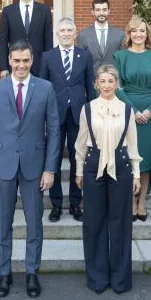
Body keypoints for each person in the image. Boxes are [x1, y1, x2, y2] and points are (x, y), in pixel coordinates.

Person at [0, 41, 60, 299]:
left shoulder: (46, 88)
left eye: (25, 60)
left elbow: (55, 131)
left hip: (34, 167)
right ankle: (4, 273)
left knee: (34, 224)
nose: (21, 65)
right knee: (3, 223)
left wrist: (50, 169)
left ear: (32, 59)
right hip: (2, 166)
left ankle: (31, 272)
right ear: (9, 59)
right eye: (16, 60)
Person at [75, 65, 141, 294]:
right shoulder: (88, 109)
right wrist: (79, 171)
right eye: (102, 81)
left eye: (110, 81)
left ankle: (120, 279)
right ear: (96, 84)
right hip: (93, 165)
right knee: (94, 222)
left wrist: (136, 174)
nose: (106, 85)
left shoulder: (126, 110)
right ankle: (97, 277)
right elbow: (81, 142)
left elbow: (132, 143)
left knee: (120, 222)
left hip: (121, 166)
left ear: (117, 84)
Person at [39, 17, 95, 222]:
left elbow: (90, 87)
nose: (66, 34)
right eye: (62, 30)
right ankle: (55, 205)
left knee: (76, 159)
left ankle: (75, 203)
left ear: (75, 33)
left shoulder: (85, 56)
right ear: (57, 34)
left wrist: (93, 114)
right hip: (54, 115)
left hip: (78, 116)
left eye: (69, 30)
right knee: (52, 158)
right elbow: (42, 88)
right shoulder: (47, 56)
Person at [114, 15, 151, 220]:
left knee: (146, 159)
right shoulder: (120, 56)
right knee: (129, 157)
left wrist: (150, 110)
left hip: (150, 112)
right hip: (128, 111)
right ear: (129, 34)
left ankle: (141, 201)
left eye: (142, 30)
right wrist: (133, 110)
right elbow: (118, 87)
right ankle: (130, 202)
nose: (138, 34)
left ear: (147, 34)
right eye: (134, 30)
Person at [0, 0, 53, 77]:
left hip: (39, 65)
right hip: (15, 64)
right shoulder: (8, 11)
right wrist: (4, 67)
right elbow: (3, 41)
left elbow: (48, 41)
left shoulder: (44, 10)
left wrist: (48, 66)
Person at [76, 0, 125, 73]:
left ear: (109, 11)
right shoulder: (83, 35)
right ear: (93, 12)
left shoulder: (120, 34)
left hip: (113, 81)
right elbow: (80, 62)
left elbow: (123, 61)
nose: (101, 13)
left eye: (104, 10)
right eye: (98, 10)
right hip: (91, 81)